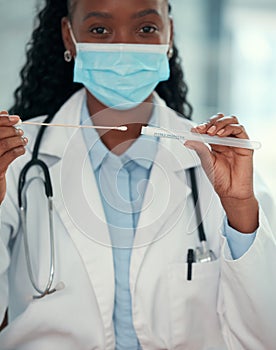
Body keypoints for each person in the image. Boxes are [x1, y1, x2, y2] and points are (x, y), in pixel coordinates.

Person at [0, 0, 275, 349]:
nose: (122, 48)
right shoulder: (16, 161)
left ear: (169, 34)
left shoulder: (217, 158)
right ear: (69, 38)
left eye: (145, 29)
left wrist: (239, 207)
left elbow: (264, 335)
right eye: (100, 30)